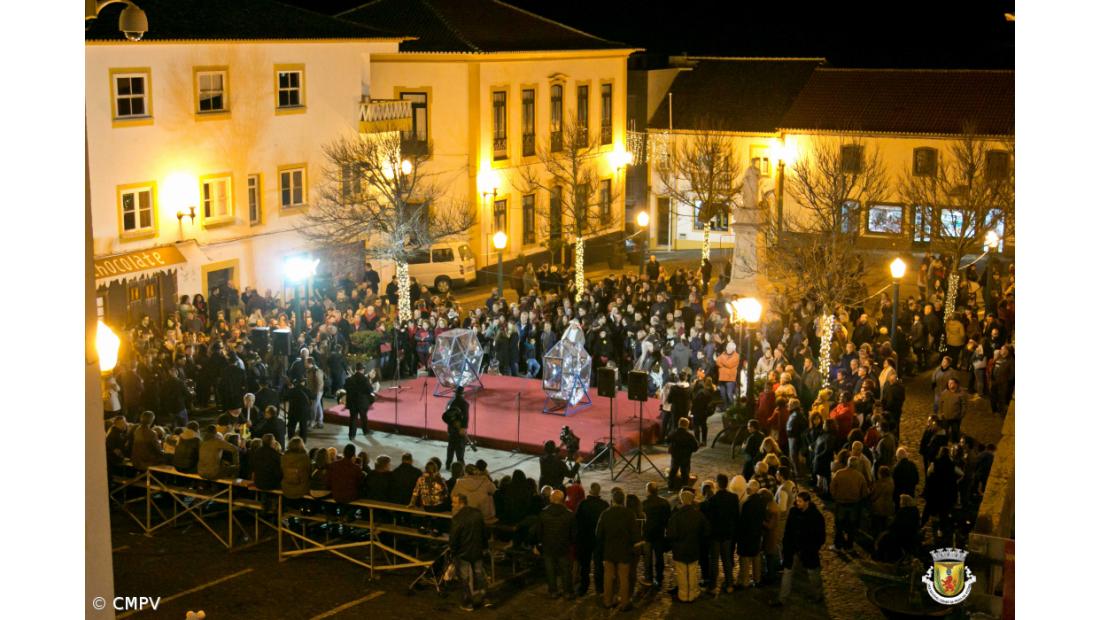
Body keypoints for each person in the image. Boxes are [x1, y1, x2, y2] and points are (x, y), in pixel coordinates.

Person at [772, 491, 826, 606]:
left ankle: (818, 594)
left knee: (813, 573)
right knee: (787, 572)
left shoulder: (816, 516)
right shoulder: (793, 512)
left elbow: (820, 537)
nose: (797, 503)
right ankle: (782, 598)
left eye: (800, 501)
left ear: (807, 502)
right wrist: (786, 545)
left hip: (808, 550)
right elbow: (788, 530)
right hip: (792, 548)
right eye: (797, 500)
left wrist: (812, 548)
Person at [596, 487, 640, 611]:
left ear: (612, 500)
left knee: (608, 577)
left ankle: (607, 601)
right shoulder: (629, 514)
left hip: (609, 550)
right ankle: (624, 603)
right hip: (624, 551)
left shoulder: (605, 513)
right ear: (623, 500)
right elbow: (635, 534)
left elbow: (598, 534)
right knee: (624, 577)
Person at [450, 493, 491, 611]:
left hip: (463, 552)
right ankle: (485, 597)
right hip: (477, 549)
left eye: (454, 502)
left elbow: (454, 538)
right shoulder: (477, 514)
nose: (452, 505)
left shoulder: (457, 519)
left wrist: (453, 551)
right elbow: (484, 532)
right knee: (479, 574)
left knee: (464, 578)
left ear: (460, 503)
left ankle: (467, 602)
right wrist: (485, 546)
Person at [667, 488, 710, 602]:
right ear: (692, 500)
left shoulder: (675, 516)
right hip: (694, 548)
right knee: (692, 571)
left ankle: (683, 595)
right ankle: (692, 594)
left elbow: (671, 534)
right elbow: (706, 531)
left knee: (681, 573)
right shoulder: (698, 515)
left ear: (681, 500)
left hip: (679, 549)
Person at [534, 488, 576, 600]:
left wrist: (539, 544)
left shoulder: (543, 513)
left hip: (548, 546)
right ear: (562, 500)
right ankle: (568, 592)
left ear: (551, 499)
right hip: (563, 546)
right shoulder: (569, 514)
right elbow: (573, 533)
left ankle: (553, 591)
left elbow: (539, 532)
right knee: (566, 570)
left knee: (550, 570)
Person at [705, 473, 740, 593]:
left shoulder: (713, 499)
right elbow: (736, 516)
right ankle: (729, 584)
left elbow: (709, 518)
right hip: (727, 534)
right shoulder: (734, 498)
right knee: (727, 560)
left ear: (717, 484)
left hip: (715, 535)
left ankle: (712, 586)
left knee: (714, 561)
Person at [576, 483, 609, 598]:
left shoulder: (583, 504)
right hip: (598, 540)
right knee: (599, 564)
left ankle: (583, 587)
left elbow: (577, 522)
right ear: (599, 492)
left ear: (590, 491)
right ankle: (599, 588)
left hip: (585, 539)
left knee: (585, 565)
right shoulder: (604, 505)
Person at [830, 456, 869, 550]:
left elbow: (832, 487)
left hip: (840, 503)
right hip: (854, 505)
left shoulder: (839, 473)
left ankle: (838, 545)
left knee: (839, 526)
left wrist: (836, 496)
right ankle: (849, 546)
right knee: (851, 527)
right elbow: (864, 493)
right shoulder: (860, 476)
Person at [641, 481, 671, 590]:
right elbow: (668, 518)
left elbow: (642, 520)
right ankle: (659, 578)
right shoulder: (665, 503)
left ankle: (648, 577)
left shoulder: (644, 504)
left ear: (648, 490)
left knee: (647, 557)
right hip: (659, 533)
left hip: (648, 535)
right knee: (659, 557)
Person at [737, 481, 767, 588]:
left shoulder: (746, 503)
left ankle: (745, 581)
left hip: (746, 535)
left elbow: (742, 521)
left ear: (750, 489)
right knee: (756, 557)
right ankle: (757, 579)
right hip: (757, 533)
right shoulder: (762, 501)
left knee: (745, 559)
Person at [344, 362, 375, 439]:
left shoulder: (350, 379)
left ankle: (351, 435)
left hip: (352, 402)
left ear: (356, 369)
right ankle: (366, 431)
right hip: (362, 402)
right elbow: (370, 390)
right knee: (363, 417)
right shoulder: (364, 379)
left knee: (353, 418)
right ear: (363, 370)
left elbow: (345, 388)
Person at [668, 417, 700, 492]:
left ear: (679, 424)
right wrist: (690, 450)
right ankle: (684, 487)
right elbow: (695, 446)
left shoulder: (674, 433)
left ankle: (671, 486)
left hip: (675, 455)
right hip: (685, 456)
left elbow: (667, 439)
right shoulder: (689, 435)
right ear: (687, 425)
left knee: (673, 470)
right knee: (685, 472)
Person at [443, 386, 470, 469]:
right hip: (459, 429)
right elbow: (465, 416)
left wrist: (451, 424)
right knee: (460, 448)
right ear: (462, 393)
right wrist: (464, 428)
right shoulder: (464, 403)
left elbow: (446, 415)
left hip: (451, 428)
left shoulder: (450, 401)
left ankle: (448, 464)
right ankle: (460, 465)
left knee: (451, 447)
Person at [280, 437, 311, 502]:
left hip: (286, 488)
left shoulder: (283, 457)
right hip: (302, 489)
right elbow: (309, 472)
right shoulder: (305, 458)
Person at [939, 377, 966, 442]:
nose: (950, 384)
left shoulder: (961, 394)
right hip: (946, 417)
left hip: (956, 418)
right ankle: (944, 442)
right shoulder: (944, 393)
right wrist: (941, 412)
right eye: (949, 383)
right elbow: (941, 403)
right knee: (945, 431)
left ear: (956, 384)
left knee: (955, 432)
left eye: (952, 383)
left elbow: (964, 405)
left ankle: (955, 443)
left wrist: (961, 415)